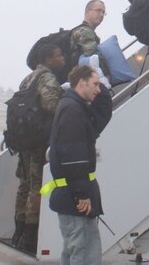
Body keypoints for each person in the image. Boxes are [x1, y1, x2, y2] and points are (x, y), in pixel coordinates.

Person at [44, 64, 112, 265]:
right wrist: (82, 193)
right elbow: (74, 157)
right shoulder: (73, 111)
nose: (98, 90)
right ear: (81, 84)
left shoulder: (74, 107)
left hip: (73, 192)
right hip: (76, 196)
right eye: (95, 84)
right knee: (83, 252)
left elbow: (102, 115)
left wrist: (104, 91)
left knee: (75, 249)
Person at [12, 44, 64, 254]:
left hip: (24, 139)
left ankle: (19, 230)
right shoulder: (48, 79)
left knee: (24, 185)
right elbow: (51, 105)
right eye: (58, 55)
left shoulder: (29, 78)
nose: (62, 59)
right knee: (37, 187)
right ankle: (30, 237)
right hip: (38, 141)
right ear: (48, 59)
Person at [69, 0, 107, 69]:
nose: (101, 15)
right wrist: (107, 73)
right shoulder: (84, 31)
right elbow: (94, 56)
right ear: (87, 12)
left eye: (103, 12)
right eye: (98, 10)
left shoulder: (85, 31)